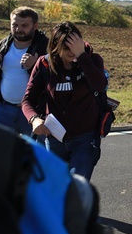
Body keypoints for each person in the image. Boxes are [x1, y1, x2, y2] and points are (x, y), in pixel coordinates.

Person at [22, 21, 106, 181]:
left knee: (76, 187)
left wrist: (82, 56)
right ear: (55, 47)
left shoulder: (92, 60)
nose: (71, 52)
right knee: (57, 188)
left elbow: (100, 85)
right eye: (66, 48)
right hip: (54, 139)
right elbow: (27, 100)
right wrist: (34, 119)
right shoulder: (44, 64)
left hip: (85, 139)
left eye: (75, 46)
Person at [0, 7, 48, 135]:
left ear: (35, 26)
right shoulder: (3, 45)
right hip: (3, 110)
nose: (18, 29)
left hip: (33, 113)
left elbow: (56, 79)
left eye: (24, 25)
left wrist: (35, 67)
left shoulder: (45, 47)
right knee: (1, 153)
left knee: (31, 153)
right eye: (15, 25)